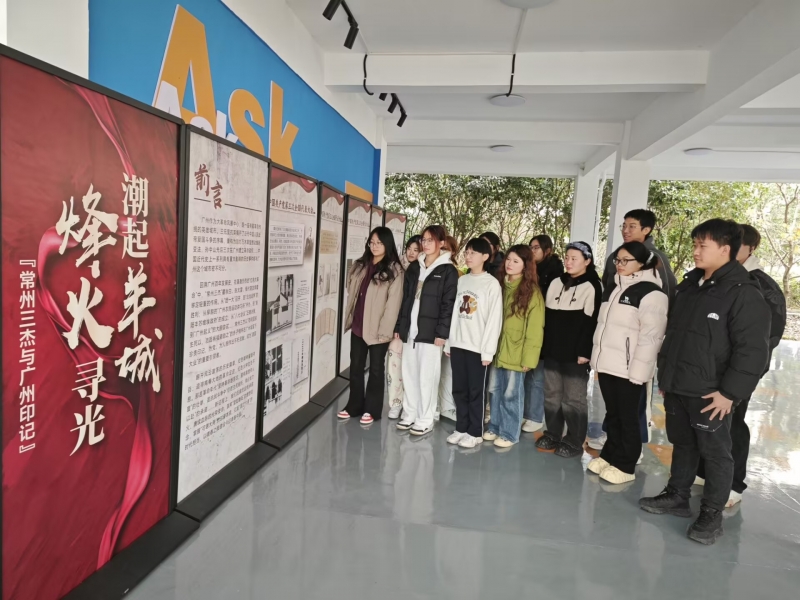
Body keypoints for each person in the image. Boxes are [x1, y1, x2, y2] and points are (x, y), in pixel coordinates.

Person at [639, 219, 770, 546]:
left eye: (703, 245)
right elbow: (676, 336)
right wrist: (667, 377)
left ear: (725, 249)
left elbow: (753, 351)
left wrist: (730, 393)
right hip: (679, 384)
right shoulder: (690, 286)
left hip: (712, 392)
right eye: (695, 244)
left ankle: (711, 513)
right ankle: (677, 495)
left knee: (715, 453)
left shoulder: (743, 293)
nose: (696, 251)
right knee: (683, 443)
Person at [695, 223, 786, 505]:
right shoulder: (709, 278)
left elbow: (764, 341)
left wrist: (741, 378)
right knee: (705, 420)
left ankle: (734, 483)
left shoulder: (761, 286)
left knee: (731, 423)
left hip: (737, 373)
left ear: (750, 249)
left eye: (738, 247)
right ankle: (704, 472)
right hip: (707, 369)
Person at [594, 209, 677, 451]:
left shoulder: (657, 260)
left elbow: (663, 303)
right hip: (614, 348)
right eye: (624, 225)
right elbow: (609, 289)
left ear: (646, 230)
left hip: (637, 350)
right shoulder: (617, 256)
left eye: (632, 226)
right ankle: (614, 442)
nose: (625, 230)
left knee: (635, 403)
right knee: (615, 404)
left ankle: (634, 446)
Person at [587, 242, 668, 484]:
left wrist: (639, 372)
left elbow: (651, 338)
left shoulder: (652, 294)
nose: (620, 265)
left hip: (630, 368)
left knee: (629, 417)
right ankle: (609, 455)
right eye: (617, 260)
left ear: (641, 263)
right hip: (608, 363)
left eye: (626, 260)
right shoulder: (614, 288)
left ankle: (625, 464)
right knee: (613, 414)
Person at [536, 241, 602, 458]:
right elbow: (547, 318)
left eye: (574, 258)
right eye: (567, 257)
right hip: (553, 350)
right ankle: (553, 433)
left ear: (587, 261)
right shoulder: (556, 282)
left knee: (573, 398)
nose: (569, 262)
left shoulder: (592, 285)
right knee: (551, 394)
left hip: (575, 355)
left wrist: (585, 352)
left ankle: (574, 440)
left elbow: (591, 323)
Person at [394, 225, 459, 436]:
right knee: (409, 374)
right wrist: (400, 326)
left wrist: (442, 333)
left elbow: (448, 305)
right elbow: (405, 299)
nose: (426, 243)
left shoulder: (447, 270)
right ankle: (410, 413)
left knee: (427, 378)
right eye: (424, 239)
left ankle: (425, 418)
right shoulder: (415, 267)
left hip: (431, 334)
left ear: (441, 243)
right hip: (411, 331)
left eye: (431, 240)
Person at [338, 226, 405, 425]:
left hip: (378, 329)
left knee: (376, 369)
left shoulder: (395, 270)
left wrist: (385, 331)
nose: (374, 246)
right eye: (372, 242)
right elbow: (351, 289)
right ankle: (354, 406)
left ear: (387, 244)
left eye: (379, 243)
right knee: (356, 367)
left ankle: (372, 410)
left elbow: (393, 304)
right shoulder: (361, 265)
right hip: (358, 324)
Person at [483, 245, 545, 448]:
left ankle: (509, 433)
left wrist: (529, 359)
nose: (510, 264)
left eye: (516, 261)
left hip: (517, 352)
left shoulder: (532, 293)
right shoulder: (498, 285)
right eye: (508, 259)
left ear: (525, 266)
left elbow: (535, 330)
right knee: (494, 390)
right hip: (497, 349)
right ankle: (495, 427)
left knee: (511, 395)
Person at [445, 238, 503, 448]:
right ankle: (461, 427)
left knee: (475, 391)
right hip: (458, 344)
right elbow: (454, 313)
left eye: (473, 253)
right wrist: (449, 342)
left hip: (478, 348)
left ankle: (475, 431)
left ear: (485, 257)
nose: (468, 256)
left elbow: (494, 320)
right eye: (467, 252)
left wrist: (488, 351)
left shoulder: (491, 284)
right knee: (459, 389)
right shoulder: (463, 281)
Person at [523, 234, 565, 432]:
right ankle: (525, 413)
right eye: (530, 247)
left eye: (536, 247)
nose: (532, 251)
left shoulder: (555, 273)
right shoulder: (529, 269)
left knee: (537, 376)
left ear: (547, 250)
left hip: (545, 328)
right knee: (526, 373)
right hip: (527, 325)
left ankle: (535, 416)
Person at [387, 235, 423, 420]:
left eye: (416, 250)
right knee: (394, 365)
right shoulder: (396, 268)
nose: (411, 252)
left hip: (413, 327)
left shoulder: (423, 272)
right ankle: (395, 403)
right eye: (409, 248)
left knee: (411, 370)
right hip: (396, 324)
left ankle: (411, 405)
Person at [438, 235, 463, 421]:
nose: (442, 251)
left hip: (449, 328)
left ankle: (447, 406)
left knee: (447, 370)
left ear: (453, 251)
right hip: (430, 328)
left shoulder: (457, 274)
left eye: (446, 248)